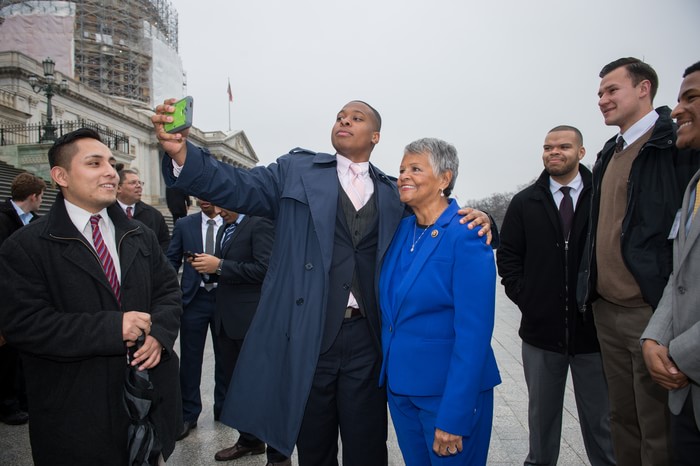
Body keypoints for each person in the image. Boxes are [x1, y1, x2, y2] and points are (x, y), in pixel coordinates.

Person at [152, 99, 493, 466]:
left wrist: (485, 220)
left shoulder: (395, 192)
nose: (345, 120)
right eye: (340, 116)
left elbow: (439, 219)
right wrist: (183, 153)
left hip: (368, 339)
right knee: (313, 446)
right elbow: (236, 185)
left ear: (375, 136)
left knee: (367, 447)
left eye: (356, 118)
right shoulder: (296, 170)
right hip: (309, 336)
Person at [0, 128, 182, 465]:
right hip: (75, 414)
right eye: (95, 163)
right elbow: (24, 325)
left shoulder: (140, 234)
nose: (110, 172)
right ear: (61, 175)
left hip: (145, 403)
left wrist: (160, 334)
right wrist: (113, 329)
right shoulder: (26, 246)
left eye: (111, 163)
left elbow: (169, 291)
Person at [577, 57, 700, 465]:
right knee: (622, 420)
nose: (602, 100)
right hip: (606, 311)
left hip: (651, 311)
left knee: (659, 429)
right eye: (599, 93)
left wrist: (666, 317)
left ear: (644, 88)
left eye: (612, 90)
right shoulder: (608, 153)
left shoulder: (672, 146)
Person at [378, 137, 500, 465]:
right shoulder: (401, 230)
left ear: (444, 179)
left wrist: (454, 415)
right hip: (402, 390)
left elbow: (474, 334)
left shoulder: (467, 234)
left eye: (416, 168)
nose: (404, 175)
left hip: (448, 396)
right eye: (402, 169)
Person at [497, 126, 615, 465]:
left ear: (580, 152)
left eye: (563, 146)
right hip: (541, 333)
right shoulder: (525, 202)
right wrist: (526, 297)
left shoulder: (602, 194)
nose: (554, 152)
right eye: (548, 147)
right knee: (541, 419)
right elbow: (508, 256)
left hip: (593, 332)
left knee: (601, 421)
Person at [189, 208, 289, 465]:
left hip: (252, 322)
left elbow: (266, 268)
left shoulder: (260, 224)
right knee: (239, 388)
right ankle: (250, 440)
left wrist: (220, 265)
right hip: (227, 320)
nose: (219, 212)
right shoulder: (226, 227)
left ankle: (278, 457)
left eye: (224, 206)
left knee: (263, 390)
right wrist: (208, 267)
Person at [642, 61, 700, 466]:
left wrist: (680, 352)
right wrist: (654, 337)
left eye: (690, 97)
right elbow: (679, 276)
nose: (677, 110)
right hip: (685, 393)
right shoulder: (694, 186)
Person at [166, 198, 225, 440]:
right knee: (190, 360)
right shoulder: (184, 224)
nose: (203, 200)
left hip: (224, 299)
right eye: (198, 196)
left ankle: (225, 409)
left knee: (226, 356)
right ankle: (188, 413)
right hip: (193, 300)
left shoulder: (232, 222)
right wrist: (171, 290)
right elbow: (171, 260)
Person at [0, 172, 45, 426]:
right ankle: (7, 405)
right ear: (35, 196)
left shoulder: (36, 221)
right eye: (40, 197)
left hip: (28, 298)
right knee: (7, 358)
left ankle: (23, 400)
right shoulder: (3, 220)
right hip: (7, 298)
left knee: (22, 355)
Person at [116, 167, 170, 253]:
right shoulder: (106, 212)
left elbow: (164, 243)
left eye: (140, 183)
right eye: (133, 183)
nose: (139, 186)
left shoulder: (154, 215)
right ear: (118, 188)